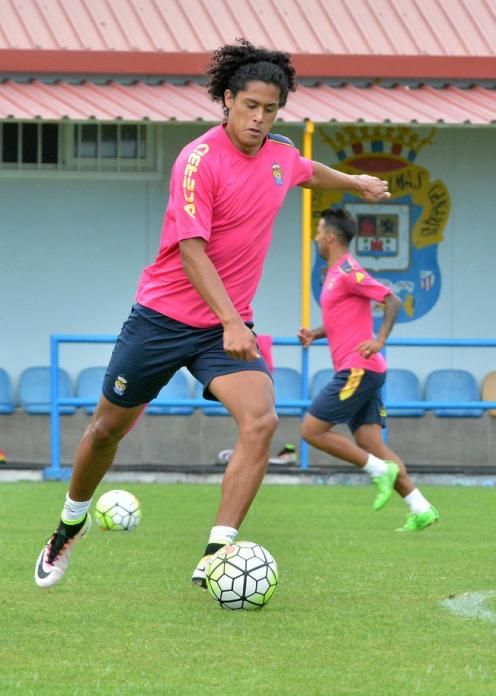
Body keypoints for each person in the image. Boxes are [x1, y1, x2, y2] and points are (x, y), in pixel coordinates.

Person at [34, 39, 392, 590]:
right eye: (250, 106)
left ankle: (215, 552)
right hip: (161, 318)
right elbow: (191, 251)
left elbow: (303, 169)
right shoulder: (197, 161)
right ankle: (68, 525)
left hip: (223, 328)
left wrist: (355, 182)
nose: (259, 118)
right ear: (227, 99)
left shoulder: (278, 155)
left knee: (262, 420)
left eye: (270, 110)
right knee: (107, 429)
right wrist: (229, 321)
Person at [298, 207, 439, 531]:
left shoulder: (349, 270)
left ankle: (378, 471)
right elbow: (340, 319)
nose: (316, 237)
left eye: (319, 232)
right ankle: (420, 507)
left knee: (310, 430)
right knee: (371, 443)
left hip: (358, 368)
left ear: (331, 237)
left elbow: (391, 300)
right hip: (364, 370)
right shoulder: (334, 274)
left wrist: (380, 339)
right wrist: (314, 334)